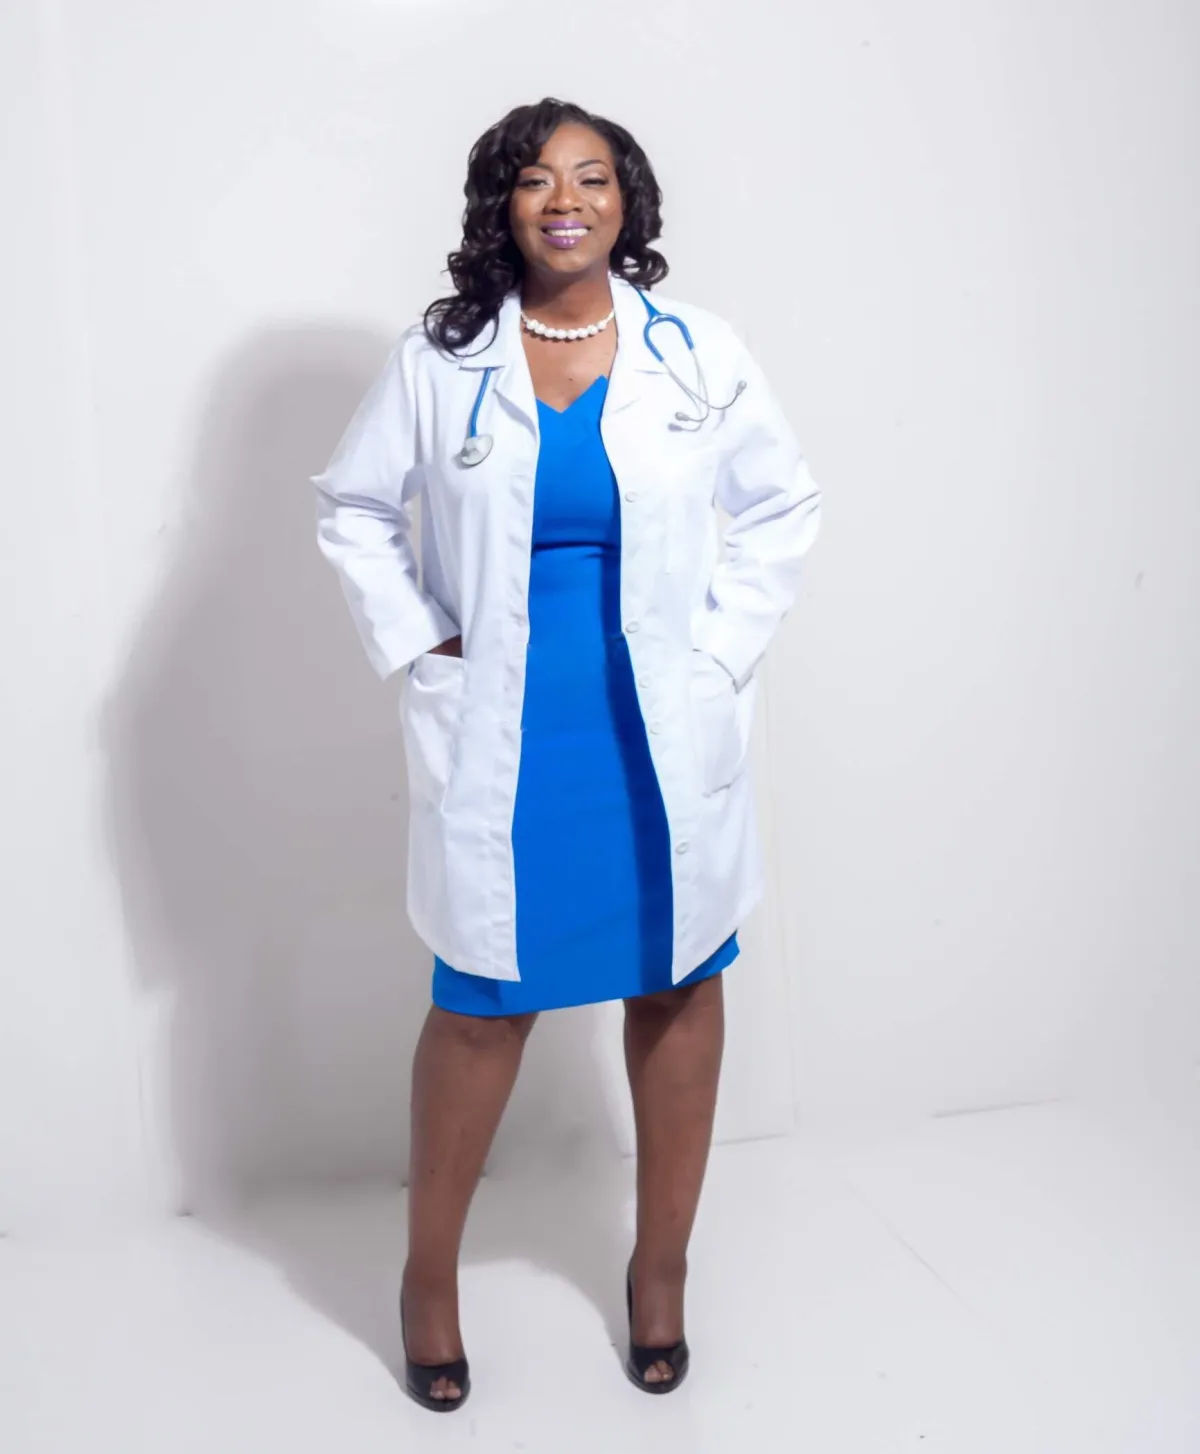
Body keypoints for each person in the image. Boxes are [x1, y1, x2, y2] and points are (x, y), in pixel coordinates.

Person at [312, 96, 821, 1411]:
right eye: (537, 179)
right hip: (510, 726)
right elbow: (353, 505)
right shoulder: (442, 360)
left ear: (626, 201)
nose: (566, 201)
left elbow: (783, 503)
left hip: (656, 723)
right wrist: (419, 641)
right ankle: (429, 1277)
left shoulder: (696, 352)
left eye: (593, 178)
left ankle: (661, 1269)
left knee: (678, 979)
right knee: (485, 1000)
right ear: (504, 203)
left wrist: (718, 656)